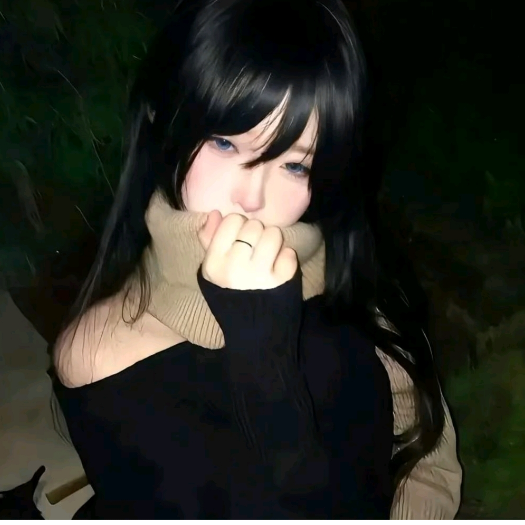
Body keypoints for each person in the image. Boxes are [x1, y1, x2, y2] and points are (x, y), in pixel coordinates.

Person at [52, 0, 462, 520]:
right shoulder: (100, 356)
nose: (252, 197)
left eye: (295, 165)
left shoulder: (356, 278)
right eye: (224, 143)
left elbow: (427, 464)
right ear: (163, 118)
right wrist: (263, 356)